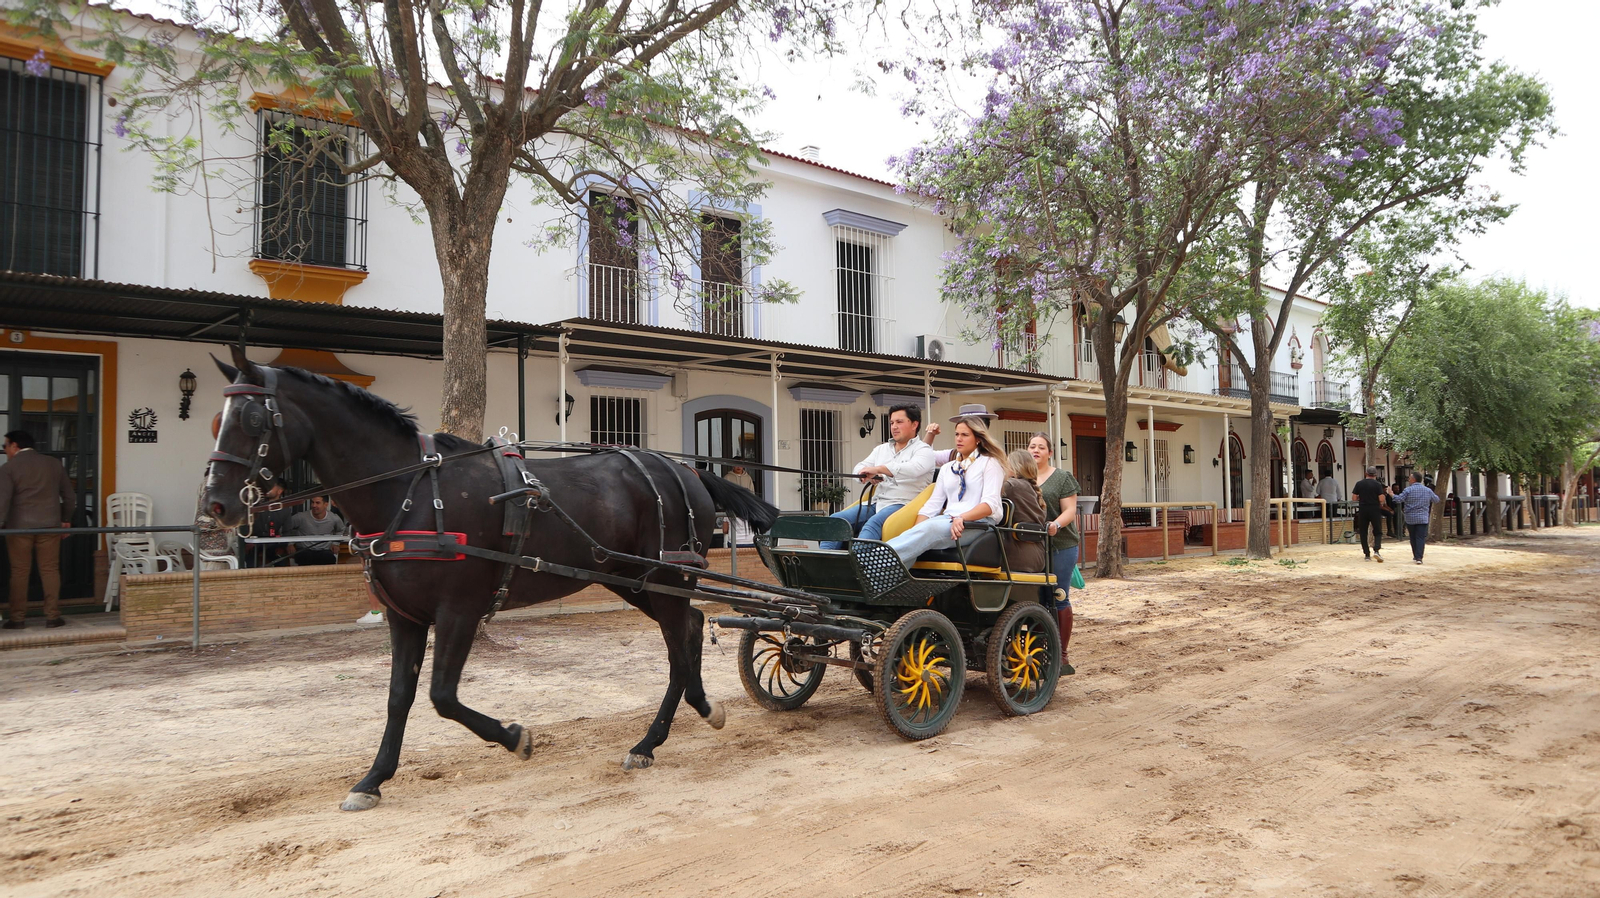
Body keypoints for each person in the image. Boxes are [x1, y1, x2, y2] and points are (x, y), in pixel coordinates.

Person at [879, 413, 1007, 566]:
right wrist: (916, 528)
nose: (959, 439)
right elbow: (933, 505)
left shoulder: (990, 463)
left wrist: (962, 517)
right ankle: (886, 583)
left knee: (929, 528)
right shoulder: (948, 468)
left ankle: (874, 561)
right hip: (949, 520)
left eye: (965, 435)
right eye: (957, 434)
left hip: (979, 523)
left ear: (978, 439)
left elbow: (990, 504)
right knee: (915, 535)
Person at [820, 404, 936, 549]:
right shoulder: (881, 449)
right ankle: (824, 566)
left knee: (872, 525)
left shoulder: (924, 450)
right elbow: (859, 468)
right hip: (876, 503)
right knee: (835, 520)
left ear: (914, 424)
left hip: (904, 505)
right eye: (892, 423)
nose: (894, 427)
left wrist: (880, 469)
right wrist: (865, 475)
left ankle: (858, 567)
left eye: (899, 422)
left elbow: (914, 469)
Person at [0, 430, 75, 629]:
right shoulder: (53, 464)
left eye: (5, 446)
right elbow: (69, 496)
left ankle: (17, 618)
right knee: (50, 569)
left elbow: (3, 500)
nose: (4, 450)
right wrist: (65, 519)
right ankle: (52, 616)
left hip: (18, 528)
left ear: (15, 446)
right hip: (50, 525)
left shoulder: (9, 468)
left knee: (19, 572)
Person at [1026, 432, 1081, 675]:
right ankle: (1038, 650)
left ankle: (1062, 654)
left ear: (1050, 452)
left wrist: (1055, 525)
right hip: (1031, 547)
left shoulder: (1062, 478)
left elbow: (1070, 510)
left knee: (1058, 596)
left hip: (1061, 545)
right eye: (1031, 446)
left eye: (1041, 447)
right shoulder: (1020, 478)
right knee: (1037, 598)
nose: (1035, 450)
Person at [1002, 449, 1049, 574]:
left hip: (1015, 556)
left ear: (1014, 467)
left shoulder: (1011, 486)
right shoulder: (1034, 490)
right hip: (1037, 556)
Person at [1395, 472, 1441, 564]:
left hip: (1410, 518)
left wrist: (1391, 494)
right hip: (1423, 517)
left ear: (1413, 479)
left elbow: (1398, 499)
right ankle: (1419, 557)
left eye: (1409, 478)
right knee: (1420, 537)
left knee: (1412, 537)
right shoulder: (1427, 490)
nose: (1408, 479)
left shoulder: (1408, 490)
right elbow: (1436, 499)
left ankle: (1415, 555)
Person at [288, 495, 347, 565]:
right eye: (312, 502)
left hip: (324, 551)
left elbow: (341, 530)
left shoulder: (334, 518)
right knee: (305, 556)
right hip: (304, 550)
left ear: (326, 505)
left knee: (328, 558)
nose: (314, 505)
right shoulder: (301, 517)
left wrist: (335, 543)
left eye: (317, 503)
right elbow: (287, 527)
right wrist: (290, 544)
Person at [1350, 466, 1389, 563]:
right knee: (1378, 531)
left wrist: (1361, 497)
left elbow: (1354, 498)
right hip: (1374, 509)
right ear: (1375, 475)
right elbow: (1381, 499)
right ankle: (1376, 550)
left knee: (1363, 531)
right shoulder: (1377, 485)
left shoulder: (1359, 484)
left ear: (1365, 473)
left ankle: (1367, 554)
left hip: (1363, 509)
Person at [721, 464, 756, 547]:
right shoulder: (727, 477)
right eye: (736, 464)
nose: (739, 467)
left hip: (736, 541)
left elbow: (725, 530)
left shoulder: (748, 478)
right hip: (749, 541)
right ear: (732, 466)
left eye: (741, 465)